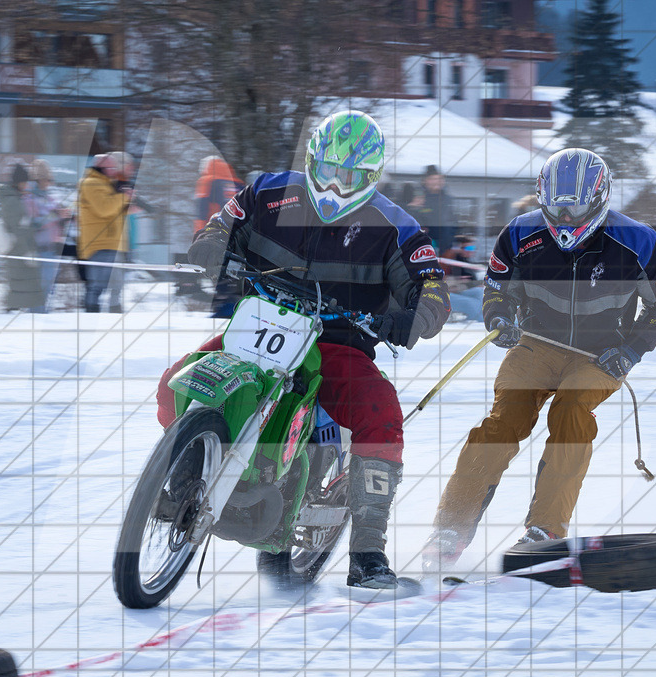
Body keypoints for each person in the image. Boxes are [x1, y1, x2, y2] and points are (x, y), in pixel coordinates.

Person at [161, 110, 451, 590]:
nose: (337, 185)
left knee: (382, 413)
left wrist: (411, 319)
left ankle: (367, 554)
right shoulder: (268, 192)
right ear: (312, 160)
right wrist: (212, 247)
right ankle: (180, 483)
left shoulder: (396, 226)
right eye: (330, 170)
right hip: (258, 327)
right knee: (176, 379)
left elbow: (432, 288)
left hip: (337, 343)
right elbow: (218, 226)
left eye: (352, 176)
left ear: (371, 178)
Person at [422, 148, 656, 570]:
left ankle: (546, 529)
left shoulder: (641, 243)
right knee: (504, 422)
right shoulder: (519, 235)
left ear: (599, 199)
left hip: (600, 354)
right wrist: (499, 316)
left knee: (573, 408)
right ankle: (450, 528)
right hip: (537, 343)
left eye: (575, 207)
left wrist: (631, 350)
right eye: (556, 206)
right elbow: (497, 288)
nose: (565, 217)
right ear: (542, 197)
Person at [77, 151, 135, 313]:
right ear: (100, 166)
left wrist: (128, 209)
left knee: (116, 284)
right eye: (110, 166)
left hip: (112, 241)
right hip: (99, 243)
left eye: (114, 166)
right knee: (97, 285)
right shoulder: (90, 183)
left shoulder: (107, 183)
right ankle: (91, 315)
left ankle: (114, 313)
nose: (113, 170)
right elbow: (104, 209)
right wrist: (124, 197)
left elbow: (111, 211)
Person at [189, 155, 244, 307]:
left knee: (218, 268)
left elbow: (201, 210)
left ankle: (223, 303)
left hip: (217, 234)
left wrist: (200, 237)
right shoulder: (237, 183)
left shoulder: (207, 181)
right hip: (241, 234)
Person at [2, 163, 45, 312]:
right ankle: (11, 316)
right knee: (19, 287)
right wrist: (27, 252)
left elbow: (22, 225)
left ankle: (13, 314)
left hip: (19, 250)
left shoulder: (14, 198)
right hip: (18, 252)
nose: (28, 185)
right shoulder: (12, 201)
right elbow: (17, 230)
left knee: (20, 287)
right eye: (26, 181)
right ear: (19, 182)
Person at [31, 159, 70, 313]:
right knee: (39, 289)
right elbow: (34, 224)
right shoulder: (30, 198)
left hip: (51, 250)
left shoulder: (50, 197)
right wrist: (55, 215)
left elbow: (54, 217)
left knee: (48, 289)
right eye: (47, 179)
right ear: (39, 179)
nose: (50, 182)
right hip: (38, 250)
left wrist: (64, 216)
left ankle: (42, 317)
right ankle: (35, 318)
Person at [440, 234, 484, 322]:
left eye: (473, 248)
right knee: (471, 303)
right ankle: (479, 325)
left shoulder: (464, 261)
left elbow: (468, 281)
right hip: (444, 294)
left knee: (481, 293)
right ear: (458, 248)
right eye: (469, 248)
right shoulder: (448, 260)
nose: (472, 251)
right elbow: (442, 283)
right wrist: (458, 282)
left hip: (459, 290)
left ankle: (486, 319)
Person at [415, 165, 456, 254]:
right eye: (432, 179)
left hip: (445, 246)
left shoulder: (447, 199)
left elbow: (452, 220)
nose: (436, 182)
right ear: (425, 181)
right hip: (423, 246)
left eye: (439, 179)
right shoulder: (418, 198)